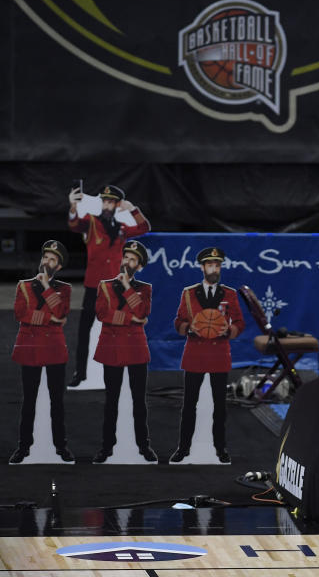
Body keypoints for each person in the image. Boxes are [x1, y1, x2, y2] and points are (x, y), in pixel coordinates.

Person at [67, 185, 151, 386]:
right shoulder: (92, 222)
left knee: (117, 329)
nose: (107, 204)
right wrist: (72, 206)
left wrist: (132, 208)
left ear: (116, 205)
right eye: (104, 201)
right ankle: (81, 373)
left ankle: (116, 372)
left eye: (111, 202)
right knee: (84, 330)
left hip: (115, 286)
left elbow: (144, 228)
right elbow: (74, 225)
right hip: (94, 284)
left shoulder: (121, 228)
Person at [169, 247, 245, 464]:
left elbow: (240, 322)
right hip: (195, 352)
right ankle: (183, 448)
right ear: (202, 267)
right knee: (189, 403)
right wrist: (189, 327)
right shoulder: (189, 293)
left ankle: (220, 449)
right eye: (211, 265)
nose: (215, 269)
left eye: (218, 265)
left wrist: (229, 331)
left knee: (220, 405)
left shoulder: (229, 294)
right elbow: (178, 321)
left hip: (219, 353)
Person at [9, 241, 74, 463]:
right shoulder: (24, 286)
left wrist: (47, 288)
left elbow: (61, 311)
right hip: (30, 348)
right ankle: (23, 447)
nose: (47, 262)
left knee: (57, 400)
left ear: (59, 267)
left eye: (52, 259)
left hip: (54, 349)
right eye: (45, 257)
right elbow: (20, 313)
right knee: (29, 400)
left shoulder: (64, 289)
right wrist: (49, 319)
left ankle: (61, 446)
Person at [92, 240, 155, 463]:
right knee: (111, 400)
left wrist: (128, 288)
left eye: (133, 260)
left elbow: (142, 310)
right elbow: (102, 313)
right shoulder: (105, 286)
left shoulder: (144, 289)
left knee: (139, 400)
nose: (127, 262)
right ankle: (106, 447)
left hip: (135, 348)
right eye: (125, 257)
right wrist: (131, 319)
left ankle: (143, 446)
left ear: (139, 266)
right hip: (112, 348)